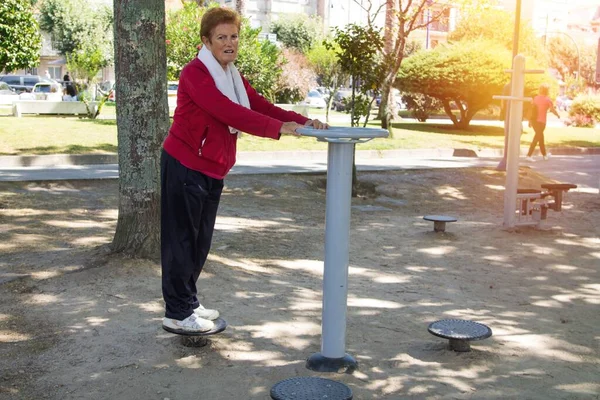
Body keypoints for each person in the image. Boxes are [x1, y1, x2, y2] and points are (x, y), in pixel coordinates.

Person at [160, 7, 328, 334]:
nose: (229, 42)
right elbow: (229, 112)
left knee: (199, 242)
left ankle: (189, 302)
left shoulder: (232, 75)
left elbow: (258, 105)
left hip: (212, 170)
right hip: (185, 166)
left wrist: (303, 121)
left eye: (233, 36)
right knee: (181, 241)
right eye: (221, 37)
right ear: (206, 41)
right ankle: (177, 312)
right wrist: (280, 129)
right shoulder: (195, 74)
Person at [526, 83, 560, 161]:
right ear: (547, 91)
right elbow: (552, 110)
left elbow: (531, 110)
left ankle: (545, 155)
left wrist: (529, 121)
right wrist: (558, 115)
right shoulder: (548, 100)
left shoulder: (535, 98)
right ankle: (528, 155)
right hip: (541, 122)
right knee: (537, 138)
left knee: (540, 137)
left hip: (534, 121)